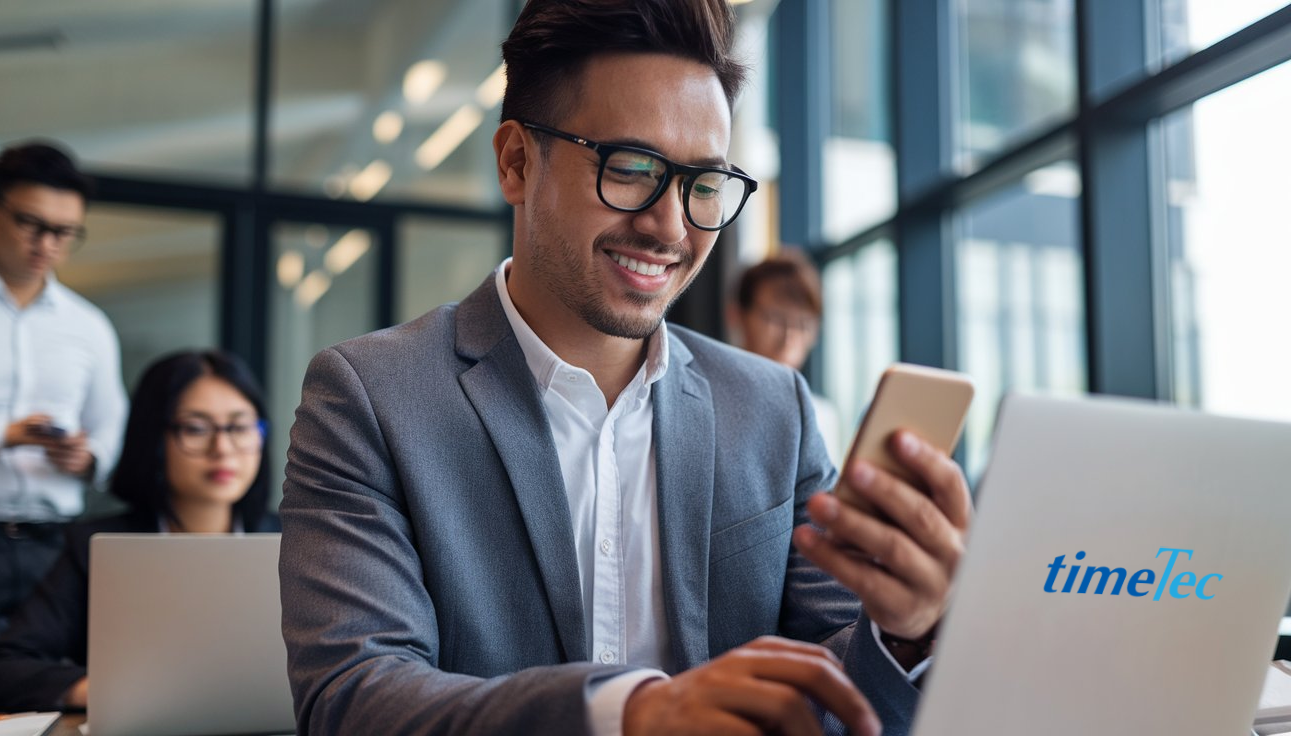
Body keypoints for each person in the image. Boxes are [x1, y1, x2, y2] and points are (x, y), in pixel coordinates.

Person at [279, 2, 970, 735]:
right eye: (632, 168)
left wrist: (904, 632)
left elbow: (834, 689)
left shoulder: (775, 411)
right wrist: (630, 713)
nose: (671, 226)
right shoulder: (369, 398)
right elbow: (352, 698)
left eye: (702, 185)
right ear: (516, 162)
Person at [0, 350, 278, 713]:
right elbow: (0, 670)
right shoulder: (97, 547)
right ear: (154, 437)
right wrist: (102, 692)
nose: (223, 448)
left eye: (240, 427)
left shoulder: (299, 539)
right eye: (196, 428)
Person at [0, 142, 128, 659]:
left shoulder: (87, 327)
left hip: (55, 545)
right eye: (31, 224)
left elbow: (110, 426)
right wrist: (6, 434)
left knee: (51, 687)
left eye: (65, 232)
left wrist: (86, 457)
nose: (47, 244)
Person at [729, 249, 843, 463]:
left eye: (803, 324)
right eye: (776, 318)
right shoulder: (707, 404)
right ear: (736, 316)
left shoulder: (822, 416)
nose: (789, 337)